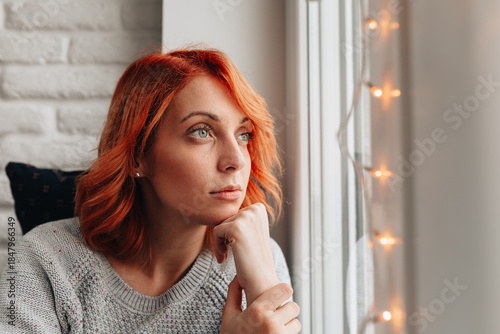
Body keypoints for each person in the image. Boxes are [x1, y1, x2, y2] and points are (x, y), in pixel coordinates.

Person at [0, 47, 301, 333]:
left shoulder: (259, 258)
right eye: (201, 131)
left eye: (244, 134)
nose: (236, 159)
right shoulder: (45, 259)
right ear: (136, 155)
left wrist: (262, 289)